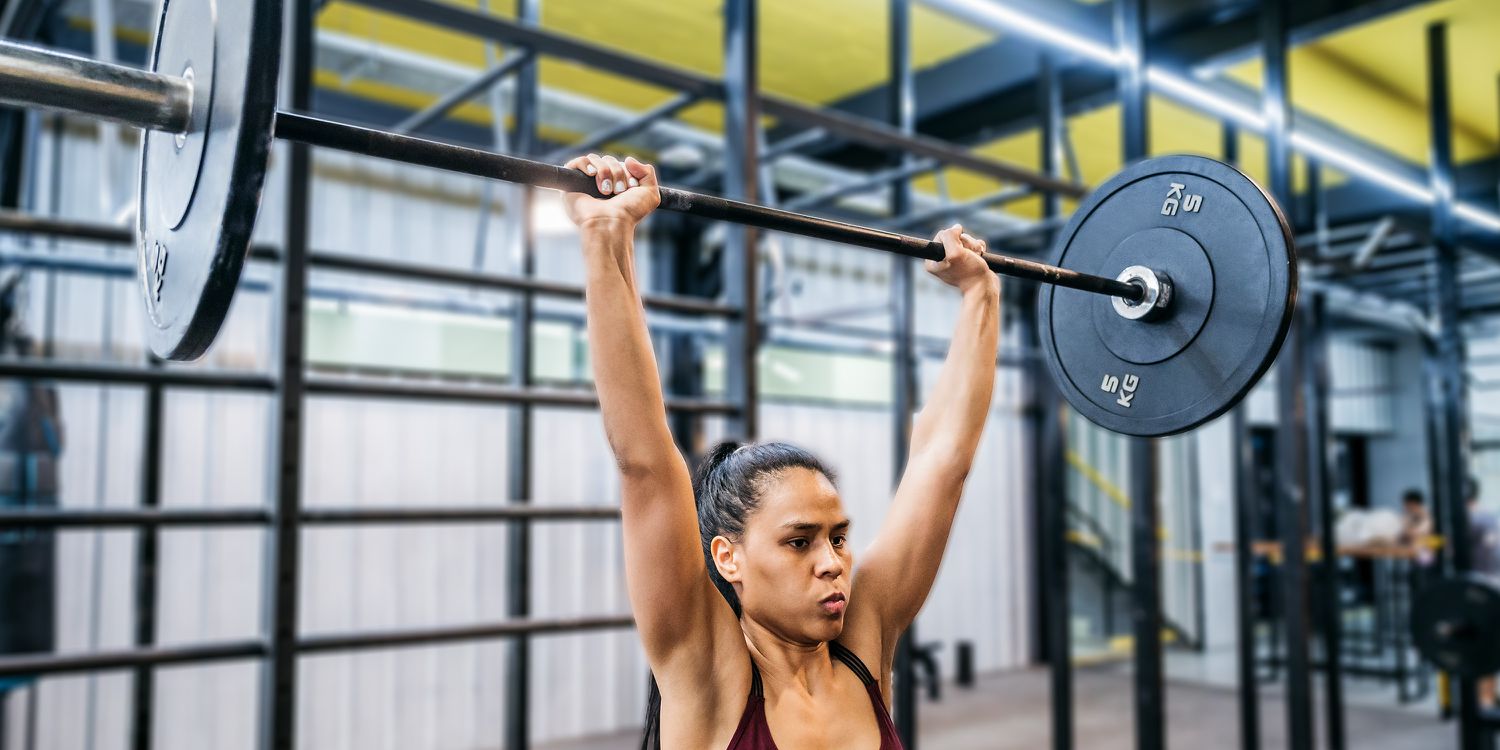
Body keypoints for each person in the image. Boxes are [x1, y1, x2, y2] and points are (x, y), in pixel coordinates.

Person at [562, 154, 999, 749]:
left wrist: (980, 294)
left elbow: (942, 463)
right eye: (799, 541)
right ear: (728, 557)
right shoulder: (709, 676)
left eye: (837, 538)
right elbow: (645, 461)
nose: (832, 563)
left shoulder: (862, 644)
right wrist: (604, 233)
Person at [1467, 477, 1499, 709]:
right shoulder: (1490, 515)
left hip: (1480, 587)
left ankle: (1484, 700)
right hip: (1493, 582)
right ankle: (1488, 697)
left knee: (1481, 644)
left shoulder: (1469, 519)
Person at [1399, 488, 1434, 565]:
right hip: (1415, 549)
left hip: (1428, 549)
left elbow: (1424, 532)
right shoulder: (1408, 515)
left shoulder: (1426, 514)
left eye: (1406, 504)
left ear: (1413, 503)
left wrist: (1409, 533)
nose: (1405, 506)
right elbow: (1403, 532)